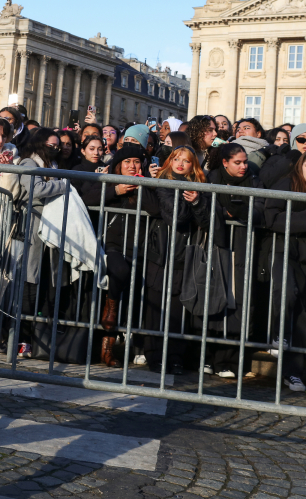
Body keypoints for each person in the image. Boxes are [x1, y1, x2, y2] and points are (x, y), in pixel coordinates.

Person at [198, 143, 265, 378]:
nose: (243, 166)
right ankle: (208, 357)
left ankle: (233, 361)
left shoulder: (255, 181)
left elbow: (259, 211)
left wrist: (237, 209)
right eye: (238, 162)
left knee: (240, 304)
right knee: (213, 301)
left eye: (245, 161)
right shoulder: (211, 179)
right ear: (225, 162)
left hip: (243, 249)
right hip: (216, 247)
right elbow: (204, 209)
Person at [86, 145, 157, 366]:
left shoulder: (146, 184)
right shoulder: (108, 182)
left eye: (136, 162)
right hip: (112, 246)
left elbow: (155, 209)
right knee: (119, 271)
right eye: (127, 162)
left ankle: (126, 346)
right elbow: (86, 198)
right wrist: (115, 191)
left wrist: (140, 186)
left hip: (139, 249)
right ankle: (110, 316)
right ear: (118, 165)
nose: (132, 166)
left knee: (139, 297)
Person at [144, 146, 209, 374]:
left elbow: (206, 220)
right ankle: (155, 356)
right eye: (176, 159)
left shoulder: (200, 186)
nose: (180, 164)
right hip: (160, 252)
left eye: (186, 161)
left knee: (179, 308)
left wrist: (197, 202)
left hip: (186, 253)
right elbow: (177, 217)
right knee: (156, 306)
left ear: (194, 165)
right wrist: (185, 196)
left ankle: (176, 357)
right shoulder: (162, 181)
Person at [11, 127, 69, 359]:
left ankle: (35, 340)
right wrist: (66, 185)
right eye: (51, 145)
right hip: (31, 229)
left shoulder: (51, 166)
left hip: (48, 230)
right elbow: (36, 190)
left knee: (44, 284)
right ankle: (21, 340)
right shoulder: (29, 164)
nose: (55, 149)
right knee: (28, 283)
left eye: (57, 146)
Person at [264, 152, 306, 392]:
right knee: (287, 294)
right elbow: (272, 218)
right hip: (284, 250)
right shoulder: (288, 182)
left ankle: (295, 373)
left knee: (303, 315)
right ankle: (278, 335)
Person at [260, 122, 306, 189]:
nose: (305, 143)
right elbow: (266, 180)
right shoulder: (278, 158)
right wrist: (290, 159)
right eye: (301, 139)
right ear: (293, 141)